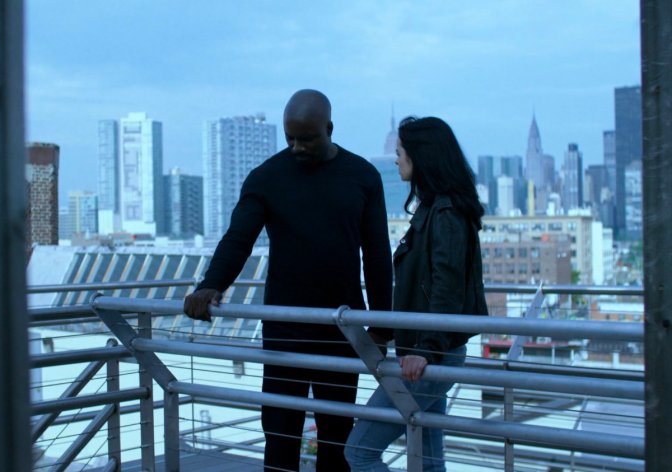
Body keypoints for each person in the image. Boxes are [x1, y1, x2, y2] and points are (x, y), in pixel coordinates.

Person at [183, 89, 393, 472]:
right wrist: (210, 284)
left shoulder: (363, 176)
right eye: (290, 138)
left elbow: (377, 254)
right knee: (279, 432)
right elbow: (238, 238)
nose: (296, 146)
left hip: (341, 328)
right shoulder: (267, 177)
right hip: (284, 328)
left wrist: (381, 326)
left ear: (329, 128)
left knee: (337, 436)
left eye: (307, 138)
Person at [344, 116, 489, 472]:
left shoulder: (447, 213)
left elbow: (447, 286)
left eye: (400, 153)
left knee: (358, 452)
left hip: (429, 358)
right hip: (427, 355)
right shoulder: (435, 208)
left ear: (421, 157)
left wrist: (426, 350)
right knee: (427, 459)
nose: (396, 160)